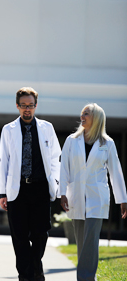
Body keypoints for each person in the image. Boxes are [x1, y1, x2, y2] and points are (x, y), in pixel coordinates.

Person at [0, 87, 61, 281]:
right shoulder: (8, 129)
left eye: (30, 106)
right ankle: (26, 275)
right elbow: (4, 162)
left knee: (41, 233)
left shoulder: (46, 128)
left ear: (35, 106)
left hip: (41, 188)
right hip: (18, 190)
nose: (27, 109)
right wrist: (2, 193)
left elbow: (55, 158)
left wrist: (55, 183)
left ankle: (34, 268)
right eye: (23, 106)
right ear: (17, 106)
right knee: (20, 236)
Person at [59, 103, 127, 281]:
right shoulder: (71, 140)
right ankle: (89, 276)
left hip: (97, 198)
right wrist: (62, 193)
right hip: (76, 196)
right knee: (82, 241)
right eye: (82, 113)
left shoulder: (107, 143)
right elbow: (64, 168)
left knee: (91, 240)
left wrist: (122, 199)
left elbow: (115, 172)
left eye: (86, 114)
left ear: (97, 118)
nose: (82, 117)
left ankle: (86, 278)